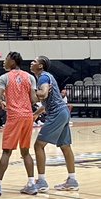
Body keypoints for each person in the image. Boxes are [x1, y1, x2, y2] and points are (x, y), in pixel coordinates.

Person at [0, 53, 41, 197]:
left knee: (6, 151)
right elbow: (33, 99)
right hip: (27, 116)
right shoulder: (30, 77)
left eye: (6, 59)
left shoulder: (4, 77)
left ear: (13, 61)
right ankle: (31, 184)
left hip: (14, 117)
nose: (4, 61)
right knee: (25, 152)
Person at [30, 56, 77, 192]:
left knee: (38, 145)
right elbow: (47, 101)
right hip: (63, 111)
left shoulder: (43, 77)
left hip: (57, 113)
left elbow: (43, 94)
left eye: (35, 61)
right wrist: (36, 114)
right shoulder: (47, 76)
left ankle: (42, 181)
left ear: (40, 66)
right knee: (65, 146)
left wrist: (32, 91)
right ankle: (72, 180)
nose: (32, 63)